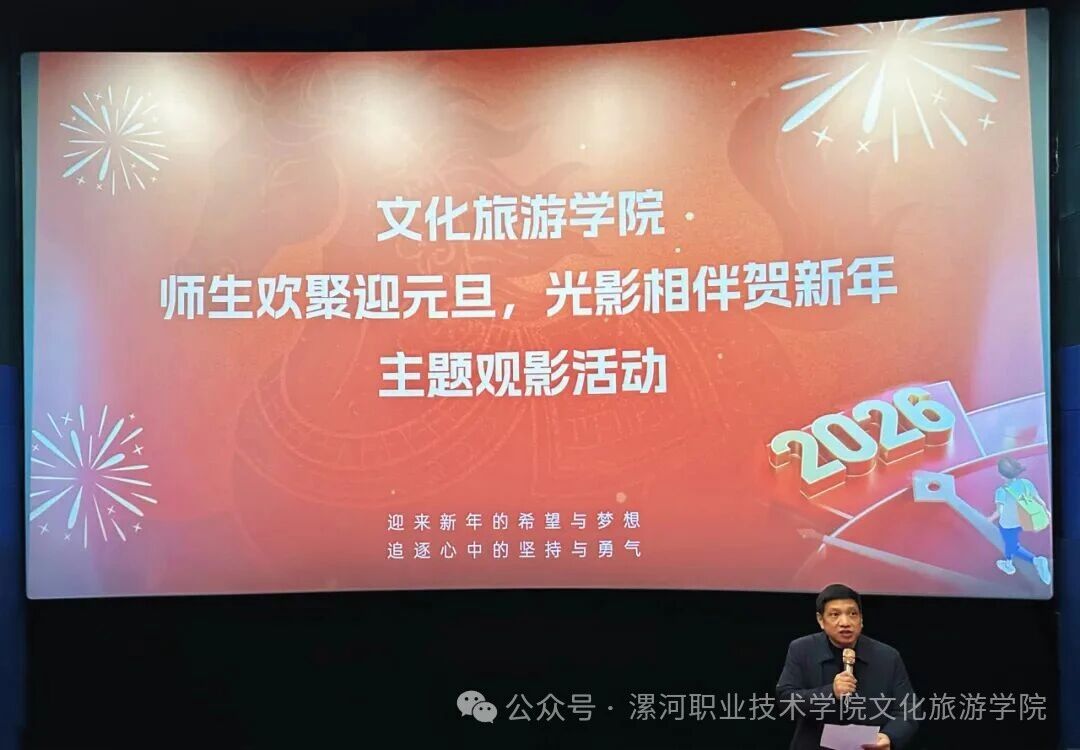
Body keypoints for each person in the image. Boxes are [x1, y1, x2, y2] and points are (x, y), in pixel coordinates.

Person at [776, 584, 919, 750]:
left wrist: (889, 736)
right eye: (835, 614)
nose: (845, 622)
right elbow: (785, 699)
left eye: (852, 614)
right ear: (821, 620)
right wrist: (830, 693)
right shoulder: (802, 649)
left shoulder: (888, 656)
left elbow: (909, 709)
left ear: (861, 619)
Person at [987, 456, 1051, 585]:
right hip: (1024, 520)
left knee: (1012, 546)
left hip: (1008, 524)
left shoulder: (1001, 491)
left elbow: (1000, 512)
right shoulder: (1026, 483)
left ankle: (1031, 561)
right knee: (1011, 543)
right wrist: (1047, 512)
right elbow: (1040, 501)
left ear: (1001, 474)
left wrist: (989, 519)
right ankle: (1009, 561)